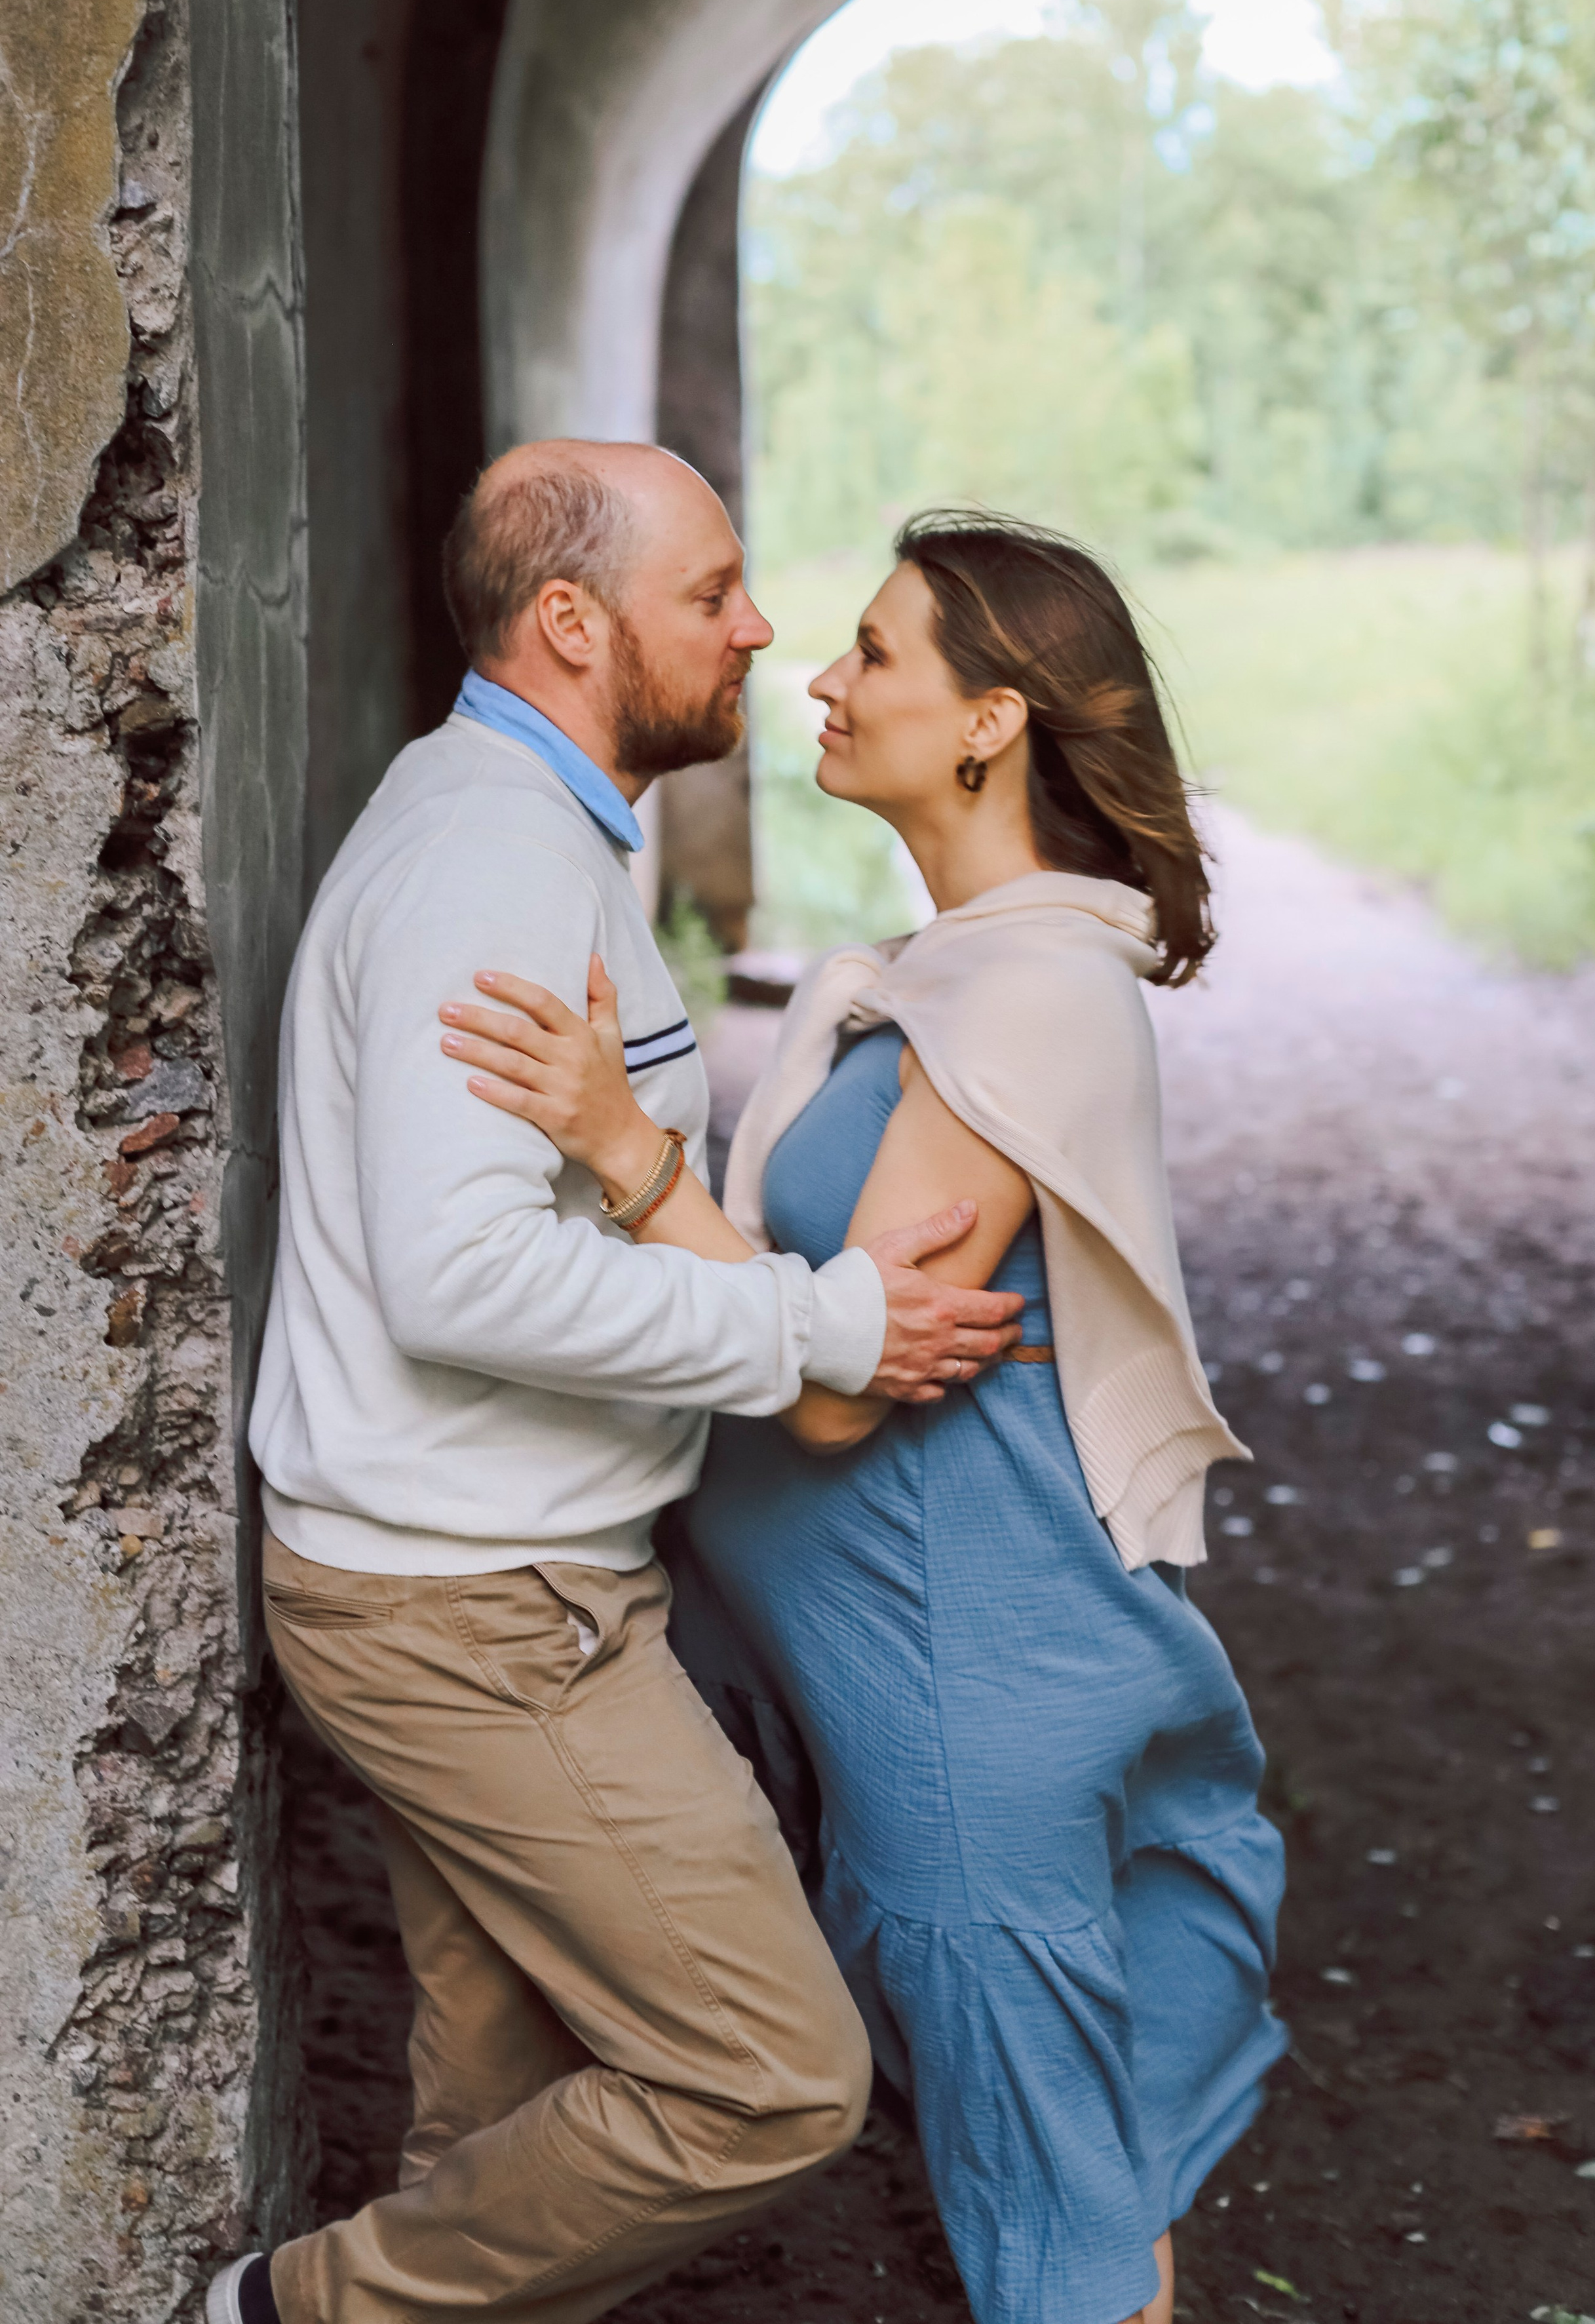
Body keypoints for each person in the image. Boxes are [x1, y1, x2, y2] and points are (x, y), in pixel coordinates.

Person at [208, 447, 1027, 2324]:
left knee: (503, 2111)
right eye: (712, 592)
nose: (758, 629)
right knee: (770, 2076)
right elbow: (464, 1274)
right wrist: (817, 1327)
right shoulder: (492, 860)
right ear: (572, 623)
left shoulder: (527, 824)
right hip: (478, 1610)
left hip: (475, 1572)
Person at [443, 511, 1289, 2324]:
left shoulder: (1031, 999)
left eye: (876, 650)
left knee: (1054, 2235)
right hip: (913, 1675)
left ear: (992, 721)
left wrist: (621, 1150)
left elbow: (835, 1404)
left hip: (962, 1687)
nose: (820, 677)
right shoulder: (964, 970)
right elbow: (829, 1324)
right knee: (1075, 2177)